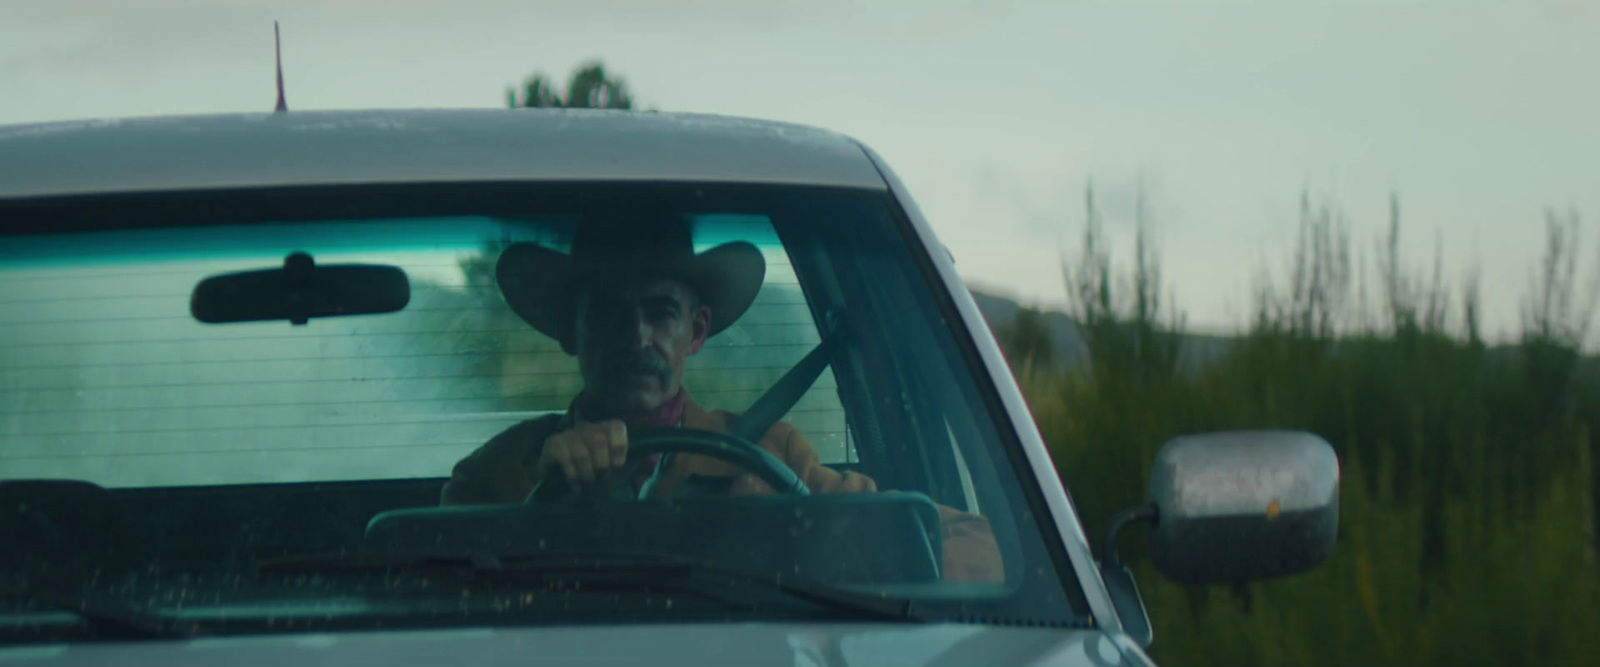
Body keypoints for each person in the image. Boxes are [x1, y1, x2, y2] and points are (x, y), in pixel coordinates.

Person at [440, 211, 1002, 582]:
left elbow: (981, 548)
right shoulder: (498, 474)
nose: (638, 337)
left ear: (698, 331)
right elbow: (430, 602)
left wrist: (813, 544)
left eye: (661, 312)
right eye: (609, 313)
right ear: (569, 330)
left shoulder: (774, 455)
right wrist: (547, 505)